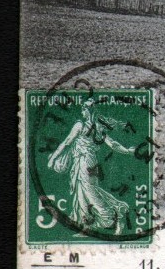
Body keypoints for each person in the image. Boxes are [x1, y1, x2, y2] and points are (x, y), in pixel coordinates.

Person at [47, 98, 136, 235]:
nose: (82, 111)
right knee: (84, 192)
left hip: (84, 161)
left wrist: (53, 158)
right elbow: (112, 144)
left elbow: (66, 143)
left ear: (88, 111)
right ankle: (87, 226)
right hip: (92, 162)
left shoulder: (80, 125)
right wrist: (127, 151)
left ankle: (115, 214)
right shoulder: (98, 127)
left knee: (89, 191)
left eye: (84, 109)